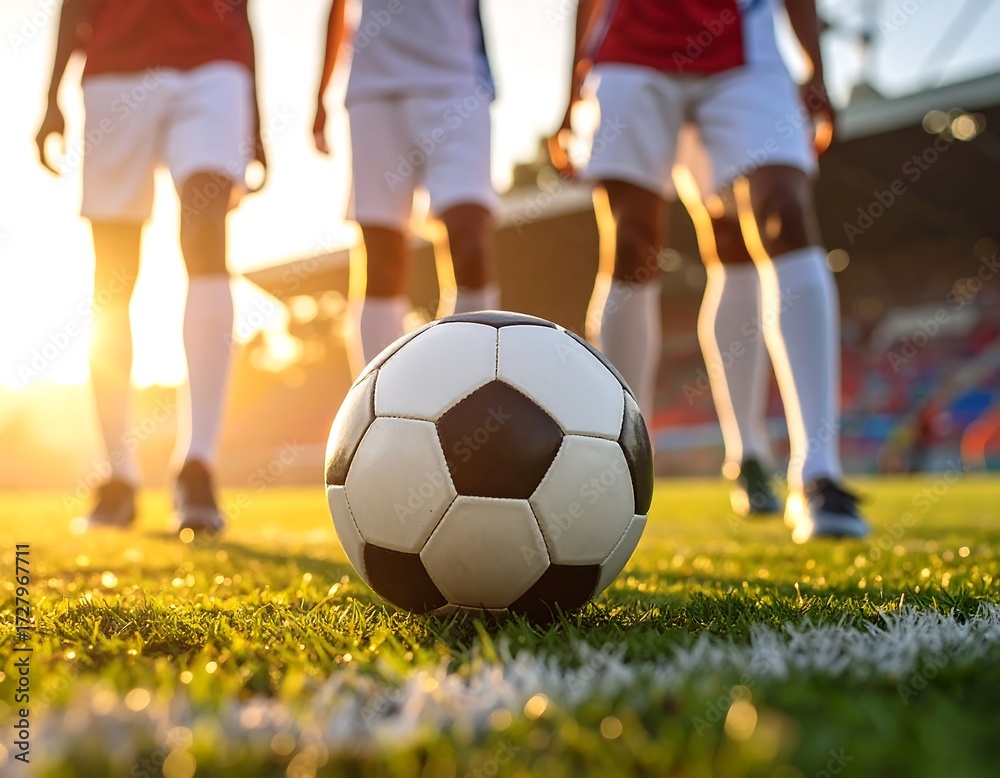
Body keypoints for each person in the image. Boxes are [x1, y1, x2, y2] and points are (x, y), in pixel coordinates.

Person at [551, 0, 869, 542]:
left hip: (744, 46)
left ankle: (816, 472)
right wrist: (571, 90)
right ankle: (617, 468)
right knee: (634, 240)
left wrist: (816, 66)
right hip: (633, 51)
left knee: (783, 213)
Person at [36, 0, 265, 535]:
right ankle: (117, 476)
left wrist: (253, 117)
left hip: (214, 63)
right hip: (116, 66)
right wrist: (51, 96)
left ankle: (198, 465)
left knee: (207, 233)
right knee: (114, 273)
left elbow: (243, 9)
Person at [313, 0, 500, 370]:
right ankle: (380, 400)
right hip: (375, 87)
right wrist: (321, 94)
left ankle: (466, 379)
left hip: (457, 83)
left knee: (470, 240)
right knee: (382, 255)